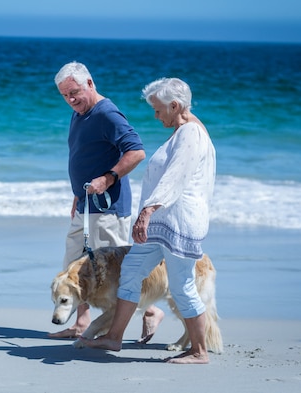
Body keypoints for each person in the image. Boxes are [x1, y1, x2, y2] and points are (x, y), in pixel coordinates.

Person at [80, 77, 217, 364]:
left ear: (175, 106)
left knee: (182, 286)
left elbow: (175, 177)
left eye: (158, 110)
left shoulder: (190, 133)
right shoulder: (184, 129)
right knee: (131, 271)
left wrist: (146, 212)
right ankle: (114, 337)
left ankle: (199, 351)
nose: (155, 116)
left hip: (177, 223)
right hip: (160, 224)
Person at [48, 62, 163, 340]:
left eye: (74, 92)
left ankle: (147, 311)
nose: (70, 99)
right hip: (86, 207)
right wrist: (78, 193)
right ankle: (81, 323)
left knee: (112, 275)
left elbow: (136, 151)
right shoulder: (80, 113)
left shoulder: (107, 113)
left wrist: (108, 178)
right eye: (65, 95)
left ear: (90, 83)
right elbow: (86, 155)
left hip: (108, 209)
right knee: (74, 269)